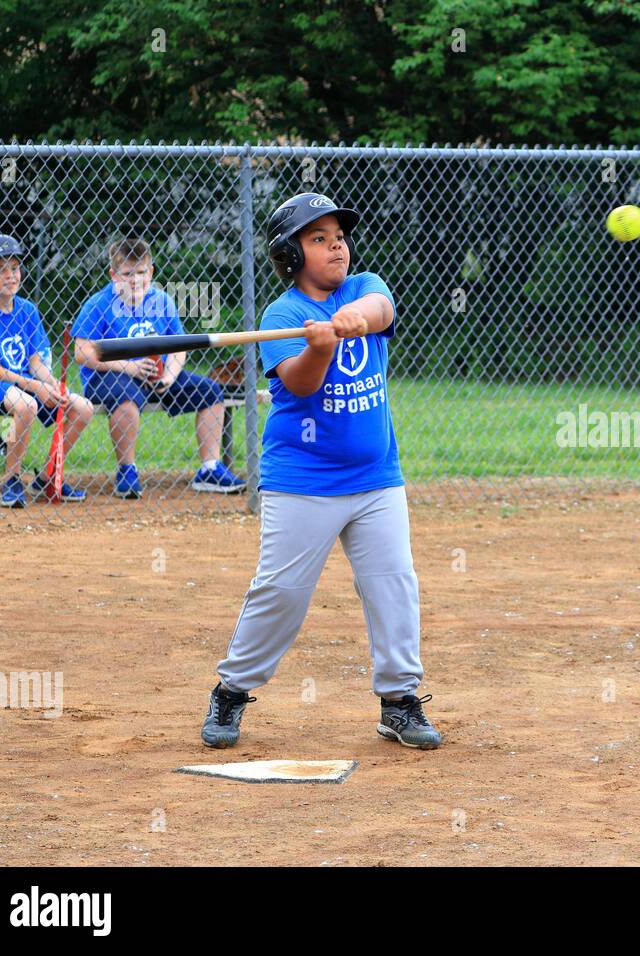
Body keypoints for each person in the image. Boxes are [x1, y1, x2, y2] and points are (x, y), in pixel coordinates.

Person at [200, 193, 440, 751]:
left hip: (378, 475)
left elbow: (382, 310)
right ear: (290, 255)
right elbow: (302, 384)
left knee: (393, 584)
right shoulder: (282, 316)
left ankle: (400, 701)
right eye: (319, 239)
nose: (336, 246)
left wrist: (353, 320)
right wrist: (320, 347)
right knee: (281, 591)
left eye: (338, 236)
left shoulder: (365, 288)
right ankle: (232, 690)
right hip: (303, 479)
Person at [71, 237, 246, 497]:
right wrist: (129, 368)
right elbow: (82, 352)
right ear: (113, 275)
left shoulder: (161, 300)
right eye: (127, 273)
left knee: (210, 391)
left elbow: (179, 346)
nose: (135, 280)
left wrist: (169, 377)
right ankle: (127, 470)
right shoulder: (99, 304)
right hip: (110, 375)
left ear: (150, 272)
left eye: (141, 272)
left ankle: (209, 468)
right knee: (127, 398)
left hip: (156, 375)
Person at [0, 235, 93, 507]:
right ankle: (12, 480)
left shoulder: (27, 311)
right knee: (27, 405)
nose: (11, 275)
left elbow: (35, 363)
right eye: (1, 269)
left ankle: (48, 477)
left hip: (22, 379)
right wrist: (34, 387)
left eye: (15, 267)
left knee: (82, 407)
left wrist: (54, 385)